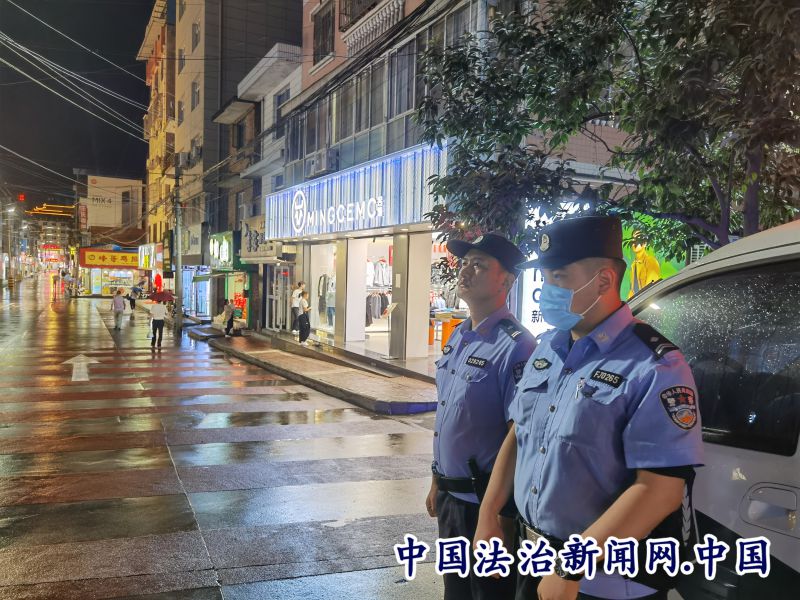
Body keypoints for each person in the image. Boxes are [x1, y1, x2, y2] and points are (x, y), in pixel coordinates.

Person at [475, 216, 704, 600]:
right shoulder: (548, 347)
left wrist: (572, 566)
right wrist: (488, 513)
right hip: (534, 562)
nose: (547, 290)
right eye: (545, 277)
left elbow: (659, 489)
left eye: (559, 277)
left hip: (601, 582)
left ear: (603, 281)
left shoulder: (654, 365)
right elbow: (520, 435)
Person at [428, 233, 536, 600]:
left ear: (506, 281)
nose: (465, 271)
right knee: (455, 593)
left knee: (489, 594)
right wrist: (436, 481)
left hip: (484, 506)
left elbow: (519, 437)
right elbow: (447, 416)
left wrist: (500, 514)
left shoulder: (517, 346)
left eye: (479, 265)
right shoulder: (458, 336)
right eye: (464, 263)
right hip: (451, 500)